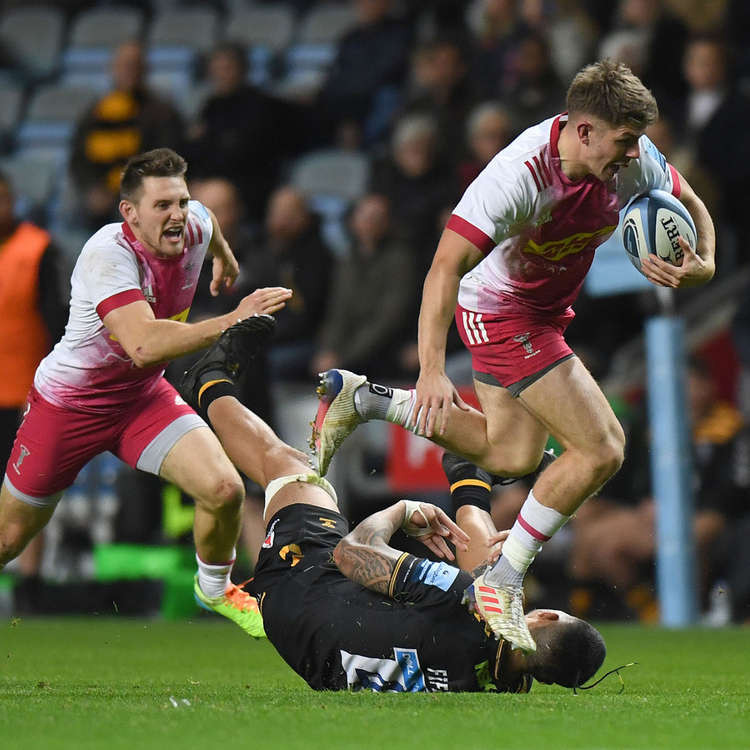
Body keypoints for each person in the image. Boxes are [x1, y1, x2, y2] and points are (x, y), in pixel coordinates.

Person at [310, 59, 716, 651]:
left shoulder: (631, 157)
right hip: (501, 311)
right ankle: (501, 580)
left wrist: (701, 263)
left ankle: (364, 398)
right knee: (602, 447)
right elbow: (444, 267)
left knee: (511, 453)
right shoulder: (519, 175)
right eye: (624, 142)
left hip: (546, 310)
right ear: (583, 131)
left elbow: (692, 203)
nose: (635, 155)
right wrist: (429, 369)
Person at [177, 314, 607, 691]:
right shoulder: (506, 687)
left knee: (293, 469)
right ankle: (469, 478)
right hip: (314, 657)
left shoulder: (460, 603)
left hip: (304, 589)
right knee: (486, 582)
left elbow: (350, 555)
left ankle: (209, 382)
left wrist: (399, 512)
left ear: (548, 617)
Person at [0, 148, 291, 637]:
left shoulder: (193, 223)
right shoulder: (107, 255)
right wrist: (232, 318)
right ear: (129, 214)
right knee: (8, 539)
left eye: (180, 200)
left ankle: (215, 587)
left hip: (139, 399)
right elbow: (144, 343)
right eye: (162, 206)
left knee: (224, 490)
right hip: (70, 406)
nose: (177, 214)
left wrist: (222, 253)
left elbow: (207, 218)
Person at [0, 170, 68, 587]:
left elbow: (59, 321)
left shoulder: (39, 250)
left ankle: (30, 582)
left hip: (27, 392)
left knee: (31, 486)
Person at [69, 41, 184, 230]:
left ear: (145, 69)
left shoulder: (162, 113)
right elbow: (79, 159)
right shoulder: (95, 113)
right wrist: (92, 189)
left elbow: (166, 162)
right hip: (100, 195)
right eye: (123, 65)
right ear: (112, 69)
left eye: (134, 65)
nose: (129, 71)